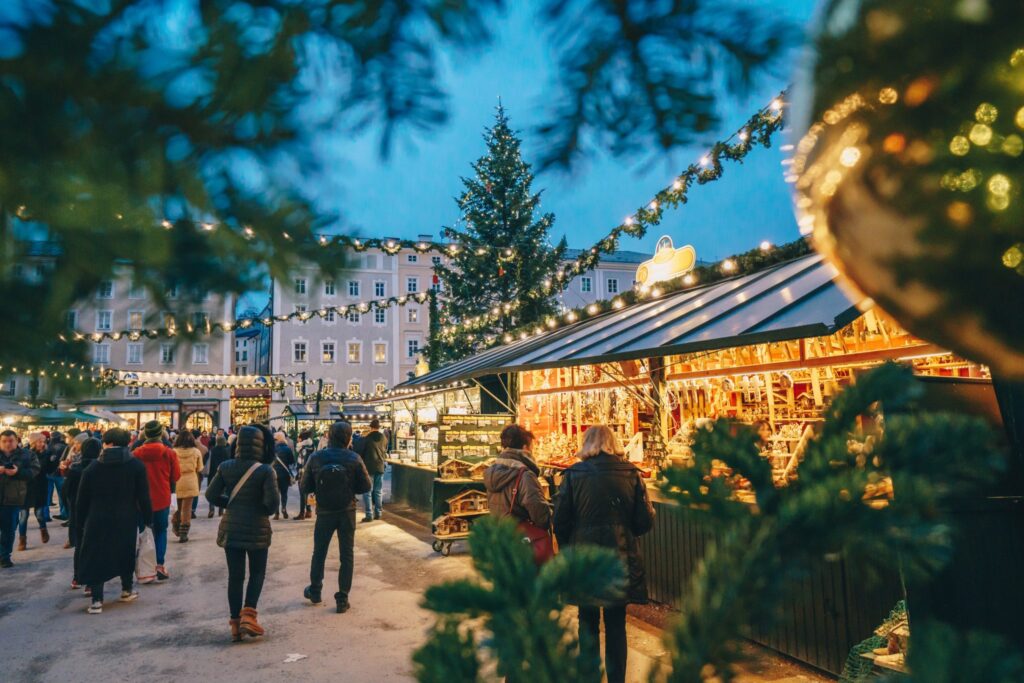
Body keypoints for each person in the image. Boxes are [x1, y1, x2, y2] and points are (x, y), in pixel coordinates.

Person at [553, 425, 655, 683]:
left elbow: (560, 521)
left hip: (584, 560)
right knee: (616, 623)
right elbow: (643, 523)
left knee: (586, 620)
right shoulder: (631, 473)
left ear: (587, 444)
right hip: (619, 557)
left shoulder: (573, 475)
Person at [205, 425, 280, 641]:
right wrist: (259, 509)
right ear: (261, 445)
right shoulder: (265, 470)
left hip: (232, 527)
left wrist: (230, 503)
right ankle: (249, 614)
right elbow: (272, 505)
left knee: (235, 577)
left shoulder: (226, 466)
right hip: (257, 527)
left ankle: (235, 624)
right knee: (257, 573)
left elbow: (211, 495)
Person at [76, 428, 152, 614]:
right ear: (127, 443)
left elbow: (81, 499)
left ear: (106, 443)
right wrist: (148, 520)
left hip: (97, 517)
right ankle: (126, 589)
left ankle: (96, 600)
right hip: (126, 517)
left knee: (97, 555)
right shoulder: (136, 465)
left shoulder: (93, 468)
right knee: (125, 551)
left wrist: (79, 522)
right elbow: (143, 497)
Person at [300, 421, 371, 613]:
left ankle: (315, 590)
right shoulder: (354, 458)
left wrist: (320, 488)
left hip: (324, 512)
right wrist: (349, 488)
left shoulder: (316, 457)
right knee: (346, 555)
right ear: (348, 438)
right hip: (347, 511)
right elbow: (366, 486)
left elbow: (304, 486)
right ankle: (342, 597)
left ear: (329, 436)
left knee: (319, 552)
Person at [133, 420, 181, 580]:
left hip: (141, 500)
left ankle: (145, 569)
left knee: (144, 533)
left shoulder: (136, 453)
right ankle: (159, 565)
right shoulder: (169, 453)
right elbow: (176, 476)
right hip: (162, 498)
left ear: (145, 434)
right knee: (160, 532)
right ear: (160, 433)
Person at [483, 424, 550, 530]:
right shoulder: (525, 475)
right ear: (525, 448)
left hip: (500, 533)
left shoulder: (492, 471)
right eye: (532, 447)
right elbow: (539, 514)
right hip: (521, 537)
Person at [0, 430, 40, 568]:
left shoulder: (27, 455)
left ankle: (4, 556)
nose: (7, 444)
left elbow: (34, 471)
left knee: (9, 529)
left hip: (14, 498)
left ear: (16, 440)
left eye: (10, 441)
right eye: (4, 441)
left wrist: (18, 472)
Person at [65, 438, 101, 589]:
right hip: (96, 511)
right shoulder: (100, 469)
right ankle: (91, 582)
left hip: (78, 511)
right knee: (96, 546)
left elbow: (65, 491)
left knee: (80, 545)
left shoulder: (75, 469)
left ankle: (77, 577)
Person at [17, 432, 51, 551]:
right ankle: (22, 540)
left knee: (40, 514)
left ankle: (43, 529)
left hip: (41, 486)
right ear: (33, 442)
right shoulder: (24, 453)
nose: (42, 444)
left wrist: (55, 462)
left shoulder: (47, 453)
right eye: (40, 441)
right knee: (23, 516)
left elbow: (50, 469)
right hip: (26, 487)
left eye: (43, 441)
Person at [172, 430, 203, 542]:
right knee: (187, 508)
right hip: (191, 481)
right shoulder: (196, 451)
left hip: (177, 481)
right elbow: (200, 468)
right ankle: (184, 532)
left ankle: (176, 526)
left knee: (177, 507)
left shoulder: (173, 452)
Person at [355, 419, 388, 523]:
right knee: (378, 491)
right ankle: (378, 513)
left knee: (367, 491)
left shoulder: (366, 439)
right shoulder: (384, 438)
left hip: (369, 468)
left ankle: (369, 515)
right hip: (380, 466)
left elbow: (360, 452)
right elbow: (385, 450)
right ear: (379, 427)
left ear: (371, 427)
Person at [44, 431, 68, 520]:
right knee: (62, 495)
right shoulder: (65, 446)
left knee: (46, 495)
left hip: (48, 473)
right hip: (60, 473)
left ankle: (46, 515)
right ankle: (64, 513)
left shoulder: (47, 446)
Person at [206, 434, 231, 518]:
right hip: (224, 474)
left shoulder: (212, 450)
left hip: (213, 473)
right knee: (223, 492)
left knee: (212, 490)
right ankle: (221, 511)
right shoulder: (227, 451)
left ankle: (211, 509)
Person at [272, 432, 295, 520]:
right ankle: (284, 509)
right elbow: (292, 462)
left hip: (274, 473)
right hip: (284, 474)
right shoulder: (287, 449)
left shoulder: (273, 449)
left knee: (276, 493)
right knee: (284, 493)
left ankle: (276, 513)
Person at [294, 430, 316, 521]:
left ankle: (302, 513)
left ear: (302, 438)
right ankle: (308, 511)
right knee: (308, 492)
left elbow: (301, 461)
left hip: (303, 472)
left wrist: (298, 471)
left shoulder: (303, 448)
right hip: (311, 471)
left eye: (299, 437)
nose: (297, 439)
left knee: (302, 493)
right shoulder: (312, 446)